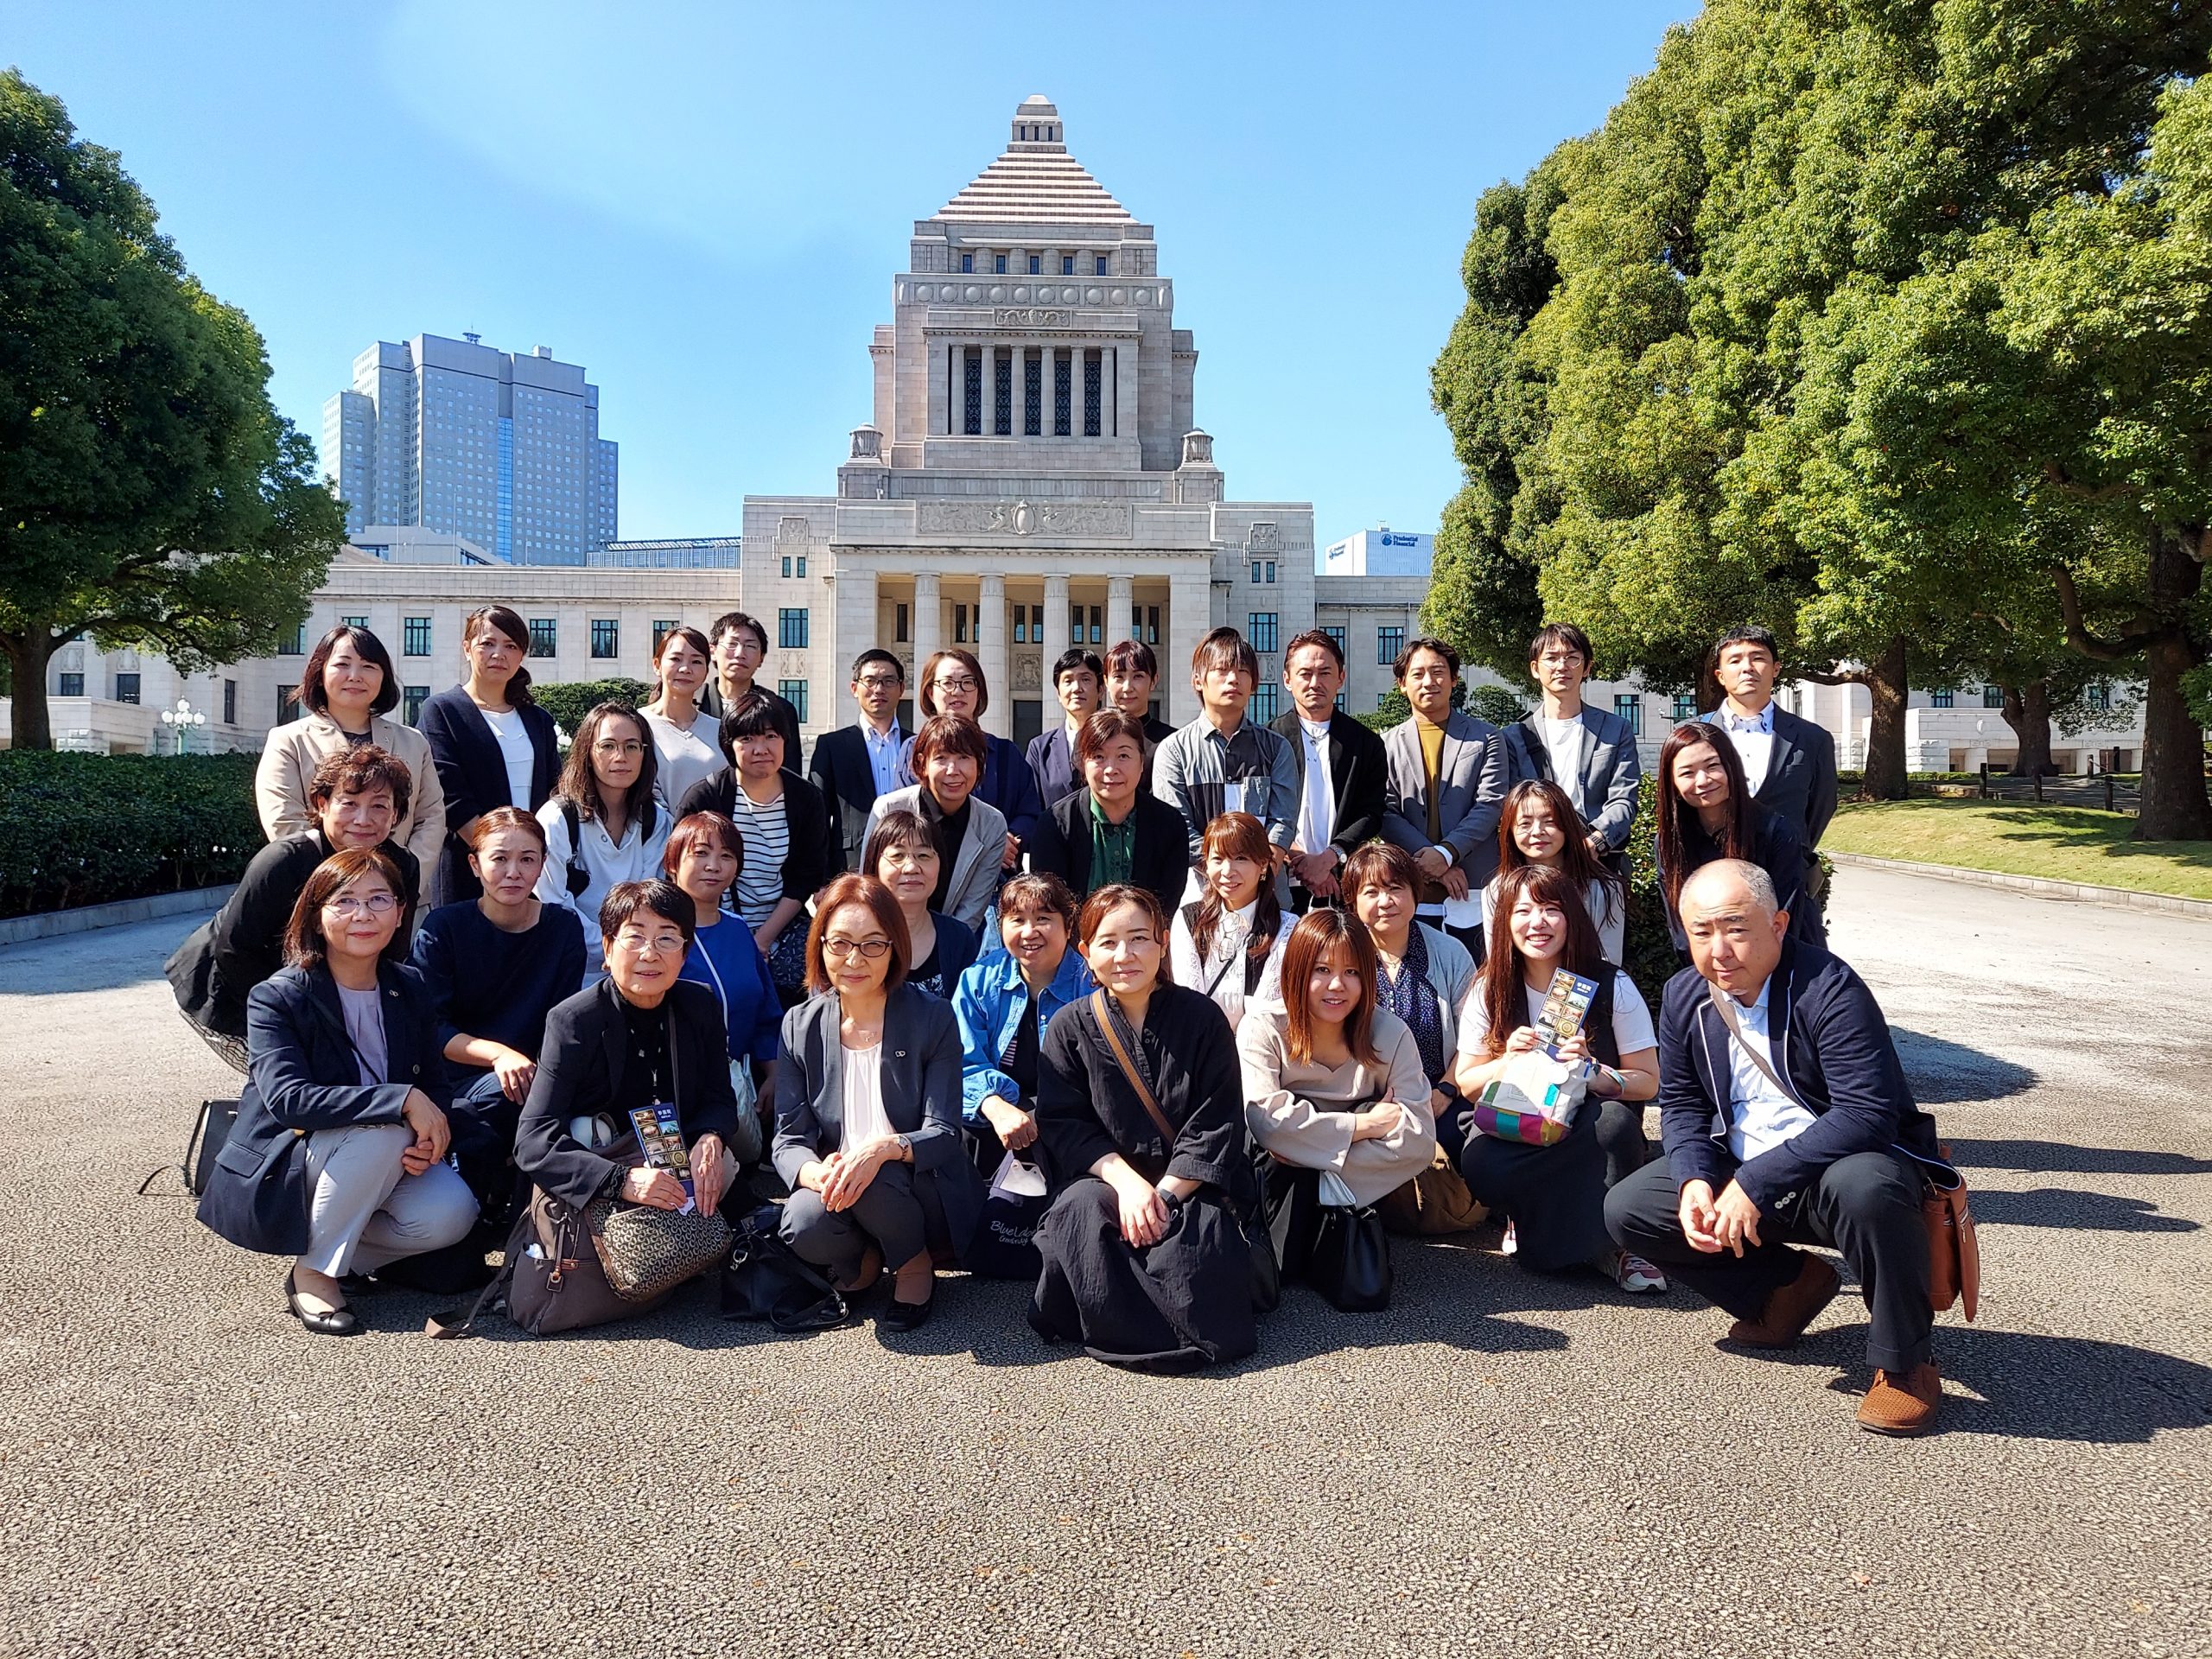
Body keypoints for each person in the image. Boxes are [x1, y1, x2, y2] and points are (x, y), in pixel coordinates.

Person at [1605, 861, 1953, 1436]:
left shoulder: (1829, 987)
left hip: (1837, 1164)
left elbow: (1866, 1113)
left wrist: (1754, 1183)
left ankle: (1906, 1362)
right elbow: (1685, 1106)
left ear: (1780, 923)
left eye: (1736, 927)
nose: (1719, 948)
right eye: (1701, 931)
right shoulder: (1682, 994)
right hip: (1744, 1164)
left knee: (1871, 1190)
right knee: (1632, 1207)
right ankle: (1786, 1289)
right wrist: (1695, 1178)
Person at [195, 847, 478, 1337]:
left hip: (376, 1156)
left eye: (378, 900)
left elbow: (433, 1083)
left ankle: (331, 1248)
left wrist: (432, 1138)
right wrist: (401, 1101)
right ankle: (313, 1275)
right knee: (382, 1132)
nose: (362, 915)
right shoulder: (279, 995)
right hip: (293, 1156)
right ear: (316, 913)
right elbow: (288, 1100)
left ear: (400, 912)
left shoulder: (408, 985)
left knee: (451, 1214)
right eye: (344, 901)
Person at [1029, 884, 1264, 1371]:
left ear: (1162, 942)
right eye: (1108, 942)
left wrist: (1166, 1197)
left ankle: (1120, 1316)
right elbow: (1066, 1124)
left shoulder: (1203, 1019)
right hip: (1107, 1181)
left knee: (1193, 1247)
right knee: (1080, 1215)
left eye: (1139, 939)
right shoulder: (1068, 1027)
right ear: (1085, 953)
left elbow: (1216, 1122)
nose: (1125, 955)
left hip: (1191, 1185)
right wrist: (1129, 1186)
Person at [772, 874, 983, 1329]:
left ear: (895, 947)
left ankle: (913, 1263)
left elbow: (944, 1132)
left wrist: (884, 1148)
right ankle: (864, 1259)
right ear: (820, 945)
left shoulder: (932, 1017)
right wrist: (816, 1172)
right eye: (840, 943)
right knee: (802, 1222)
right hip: (842, 1186)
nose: (854, 959)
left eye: (872, 944)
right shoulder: (799, 1025)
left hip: (918, 1185)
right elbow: (788, 1140)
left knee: (876, 1170)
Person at [1452, 864, 1665, 1294]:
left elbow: (1649, 1082)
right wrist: (1507, 1059)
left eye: (1551, 910)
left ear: (1571, 917)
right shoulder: (1488, 988)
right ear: (1504, 921)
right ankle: (1526, 1216)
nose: (1538, 923)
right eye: (1524, 911)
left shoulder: (1612, 985)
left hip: (1584, 1121)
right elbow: (1468, 1082)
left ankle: (1619, 1246)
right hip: (1518, 1118)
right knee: (1480, 1160)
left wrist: (1595, 1072)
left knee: (1614, 1124)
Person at [515, 881, 742, 1262]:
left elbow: (719, 1095)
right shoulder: (573, 1021)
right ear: (607, 948)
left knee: (725, 1169)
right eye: (635, 937)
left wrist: (710, 1137)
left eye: (668, 939)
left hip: (673, 1154)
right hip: (602, 1161)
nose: (650, 954)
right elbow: (533, 1138)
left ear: (685, 953)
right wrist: (621, 1181)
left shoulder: (698, 1004)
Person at [168, 746, 423, 1072]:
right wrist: (289, 1014)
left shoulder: (402, 866)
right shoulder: (284, 860)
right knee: (292, 1077)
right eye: (349, 804)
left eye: (379, 807)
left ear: (397, 814)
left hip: (313, 986)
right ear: (322, 803)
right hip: (231, 985)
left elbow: (393, 950)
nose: (363, 820)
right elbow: (234, 950)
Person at [410, 808, 586, 1215]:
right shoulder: (443, 928)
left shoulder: (563, 928)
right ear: (474, 864)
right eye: (499, 858)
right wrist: (498, 1054)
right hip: (462, 1075)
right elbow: (431, 1029)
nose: (513, 871)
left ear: (543, 864)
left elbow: (562, 1021)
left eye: (527, 859)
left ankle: (532, 1215)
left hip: (539, 1070)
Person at [1238, 908, 1434, 1212]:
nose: (1337, 985)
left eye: (1352, 972)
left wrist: (1308, 1154)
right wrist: (1364, 1125)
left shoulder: (1391, 1033)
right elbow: (1267, 1121)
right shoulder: (1263, 1027)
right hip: (1276, 1188)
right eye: (1322, 970)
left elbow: (1418, 1138)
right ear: (1296, 971)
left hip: (1337, 1193)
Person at [676, 691, 834, 1001]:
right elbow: (681, 871)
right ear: (729, 745)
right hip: (712, 922)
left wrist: (761, 940)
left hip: (782, 927)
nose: (760, 749)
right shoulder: (706, 797)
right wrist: (733, 937)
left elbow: (806, 876)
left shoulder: (806, 798)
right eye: (747, 738)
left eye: (771, 736)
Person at [256, 624, 445, 874]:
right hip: (320, 897)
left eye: (368, 666)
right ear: (320, 672)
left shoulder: (413, 742)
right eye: (342, 665)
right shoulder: (289, 740)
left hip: (401, 897)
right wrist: (338, 885)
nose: (355, 675)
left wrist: (404, 880)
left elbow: (431, 818)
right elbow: (285, 822)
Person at [416, 605, 562, 906]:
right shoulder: (442, 711)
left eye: (511, 646)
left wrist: (529, 861)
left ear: (522, 655)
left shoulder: (538, 719)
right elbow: (451, 797)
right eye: (488, 643)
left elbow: (556, 791)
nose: (499, 654)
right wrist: (496, 859)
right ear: (467, 648)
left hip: (534, 872)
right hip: (470, 868)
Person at [1344, 842, 1477, 1163]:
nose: (1385, 902)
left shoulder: (1450, 953)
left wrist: (1444, 1091)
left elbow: (1476, 1038)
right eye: (1371, 892)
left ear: (1415, 893)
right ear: (1353, 901)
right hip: (1359, 1101)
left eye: (1395, 888)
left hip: (1439, 1096)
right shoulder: (1342, 956)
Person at [953, 873, 1092, 1176]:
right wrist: (993, 1105)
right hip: (994, 1116)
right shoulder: (978, 980)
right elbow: (959, 1063)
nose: (1030, 932)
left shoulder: (1092, 983)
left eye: (1044, 918)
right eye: (1017, 920)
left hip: (1070, 1119)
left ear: (1069, 925)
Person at [1380, 636, 1508, 955]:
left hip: (1475, 888)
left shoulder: (1487, 737)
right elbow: (1384, 812)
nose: (1429, 682)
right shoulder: (1385, 744)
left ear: (1454, 679)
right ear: (1402, 684)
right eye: (1418, 674)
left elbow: (1490, 803)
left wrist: (1449, 852)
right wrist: (1432, 859)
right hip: (1413, 891)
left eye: (1438, 672)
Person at [664, 812, 779, 1168]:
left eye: (726, 856)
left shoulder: (738, 930)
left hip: (738, 1081)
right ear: (672, 863)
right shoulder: (659, 933)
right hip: (677, 1088)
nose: (714, 866)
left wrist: (774, 1075)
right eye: (700, 853)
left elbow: (766, 1013)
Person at [1653, 721, 1821, 956]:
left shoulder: (1776, 833)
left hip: (1780, 961)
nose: (1703, 781)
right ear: (1672, 783)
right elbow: (1682, 930)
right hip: (1708, 968)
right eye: (1687, 773)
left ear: (1731, 766)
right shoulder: (1669, 844)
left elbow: (1785, 923)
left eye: (1712, 766)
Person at [536, 702, 671, 982]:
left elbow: (652, 899)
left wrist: (627, 950)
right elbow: (554, 905)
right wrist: (614, 948)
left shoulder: (657, 821)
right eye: (607, 746)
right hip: (570, 971)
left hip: (638, 968)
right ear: (587, 751)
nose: (620, 757)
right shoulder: (557, 820)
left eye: (632, 746)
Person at [1151, 627, 1300, 874]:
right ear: (1198, 680)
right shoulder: (1174, 751)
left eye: (1243, 671)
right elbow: (1177, 826)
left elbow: (1282, 823)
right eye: (1222, 670)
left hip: (1266, 896)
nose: (1234, 679)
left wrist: (1257, 878)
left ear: (1254, 683)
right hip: (1199, 893)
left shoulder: (1276, 748)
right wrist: (1224, 874)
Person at [1024, 709, 1191, 917]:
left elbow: (1166, 907)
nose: (1111, 769)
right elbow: (1051, 907)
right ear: (1082, 762)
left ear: (1141, 762)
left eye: (1123, 756)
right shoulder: (1055, 825)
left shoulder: (1169, 825)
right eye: (1099, 756)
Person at [1501, 622, 1643, 867]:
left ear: (1587, 667)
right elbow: (1512, 804)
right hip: (1535, 865)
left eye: (1572, 658)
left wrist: (1596, 842)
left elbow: (1624, 798)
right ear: (1535, 668)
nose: (1562, 666)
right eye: (1552, 658)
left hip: (1599, 861)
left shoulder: (1616, 729)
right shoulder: (1514, 736)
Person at [1269, 629, 1389, 912]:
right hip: (1279, 885)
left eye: (1324, 673)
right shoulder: (1269, 740)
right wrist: (1299, 859)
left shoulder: (1366, 743)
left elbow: (1371, 813)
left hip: (1344, 883)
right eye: (1305, 674)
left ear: (1341, 678)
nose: (1314, 682)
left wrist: (1328, 859)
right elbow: (1259, 811)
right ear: (1287, 679)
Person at [897, 647, 1042, 866]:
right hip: (933, 876)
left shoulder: (1006, 753)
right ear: (930, 692)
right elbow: (907, 817)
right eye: (947, 683)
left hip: (996, 880)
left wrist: (1010, 839)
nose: (958, 691)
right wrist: (988, 844)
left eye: (967, 682)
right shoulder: (913, 750)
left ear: (979, 691)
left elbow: (1029, 814)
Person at [1711, 625, 1840, 869]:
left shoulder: (1813, 739)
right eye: (1735, 661)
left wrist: (1791, 848)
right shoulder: (1694, 735)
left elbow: (1821, 808)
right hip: (1710, 875)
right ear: (1720, 675)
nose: (1747, 668)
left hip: (1786, 874)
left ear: (1776, 669)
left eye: (1758, 658)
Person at [865, 715, 1008, 931]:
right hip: (887, 933)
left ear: (979, 764)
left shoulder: (992, 824)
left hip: (953, 944)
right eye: (941, 758)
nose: (953, 770)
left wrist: (943, 948)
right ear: (922, 764)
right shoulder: (888, 809)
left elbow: (972, 908)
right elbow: (869, 884)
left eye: (964, 757)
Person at [1480, 779, 1628, 963]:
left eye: (1549, 821)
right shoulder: (1496, 891)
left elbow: (1608, 961)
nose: (1537, 831)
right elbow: (1500, 960)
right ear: (1510, 832)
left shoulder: (1604, 889)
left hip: (1589, 989)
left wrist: (1558, 992)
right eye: (1525, 824)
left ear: (1567, 826)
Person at [1167, 811, 1287, 1033]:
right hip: (1202, 1051)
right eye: (1218, 859)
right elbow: (1190, 1003)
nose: (1227, 871)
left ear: (1262, 865)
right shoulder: (1188, 920)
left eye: (1240, 858)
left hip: (1261, 1055)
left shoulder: (1287, 928)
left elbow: (1266, 1015)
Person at [860, 810, 981, 1001]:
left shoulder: (959, 938)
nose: (911, 868)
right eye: (898, 856)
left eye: (923, 856)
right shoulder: (853, 934)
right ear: (874, 862)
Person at [809, 649, 909, 873]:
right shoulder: (832, 746)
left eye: (888, 681)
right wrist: (821, 881)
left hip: (908, 865)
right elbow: (817, 818)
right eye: (870, 681)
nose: (879, 689)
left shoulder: (915, 744)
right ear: (854, 688)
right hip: (850, 865)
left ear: (901, 689)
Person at [641, 624, 723, 815]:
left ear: (706, 672)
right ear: (657, 665)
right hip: (653, 840)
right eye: (676, 659)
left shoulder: (720, 730)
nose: (686, 669)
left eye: (696, 661)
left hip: (712, 842)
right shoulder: (636, 725)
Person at [699, 609, 803, 757]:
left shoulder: (780, 710)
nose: (740, 653)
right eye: (732, 644)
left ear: (761, 658)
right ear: (713, 651)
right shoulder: (694, 704)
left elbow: (789, 773)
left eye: (750, 646)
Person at [1024, 647, 1103, 809]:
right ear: (1059, 694)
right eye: (1068, 681)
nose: (1076, 688)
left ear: (1100, 690)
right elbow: (1030, 805)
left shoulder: (1116, 741)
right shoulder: (1039, 749)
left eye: (1085, 679)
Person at [1103, 637, 1177, 786]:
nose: (1127, 687)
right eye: (1118, 677)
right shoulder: (1094, 737)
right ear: (1106, 681)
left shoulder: (1172, 742)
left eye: (1138, 676)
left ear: (1154, 681)